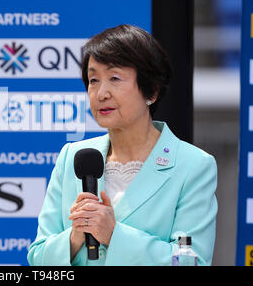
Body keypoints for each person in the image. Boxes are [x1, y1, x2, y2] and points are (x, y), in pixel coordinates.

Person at [27, 24, 218, 266]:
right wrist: (75, 237)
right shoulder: (73, 156)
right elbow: (38, 256)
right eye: (93, 79)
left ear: (152, 90)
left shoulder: (192, 165)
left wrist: (114, 235)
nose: (101, 93)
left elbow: (190, 260)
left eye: (115, 78)